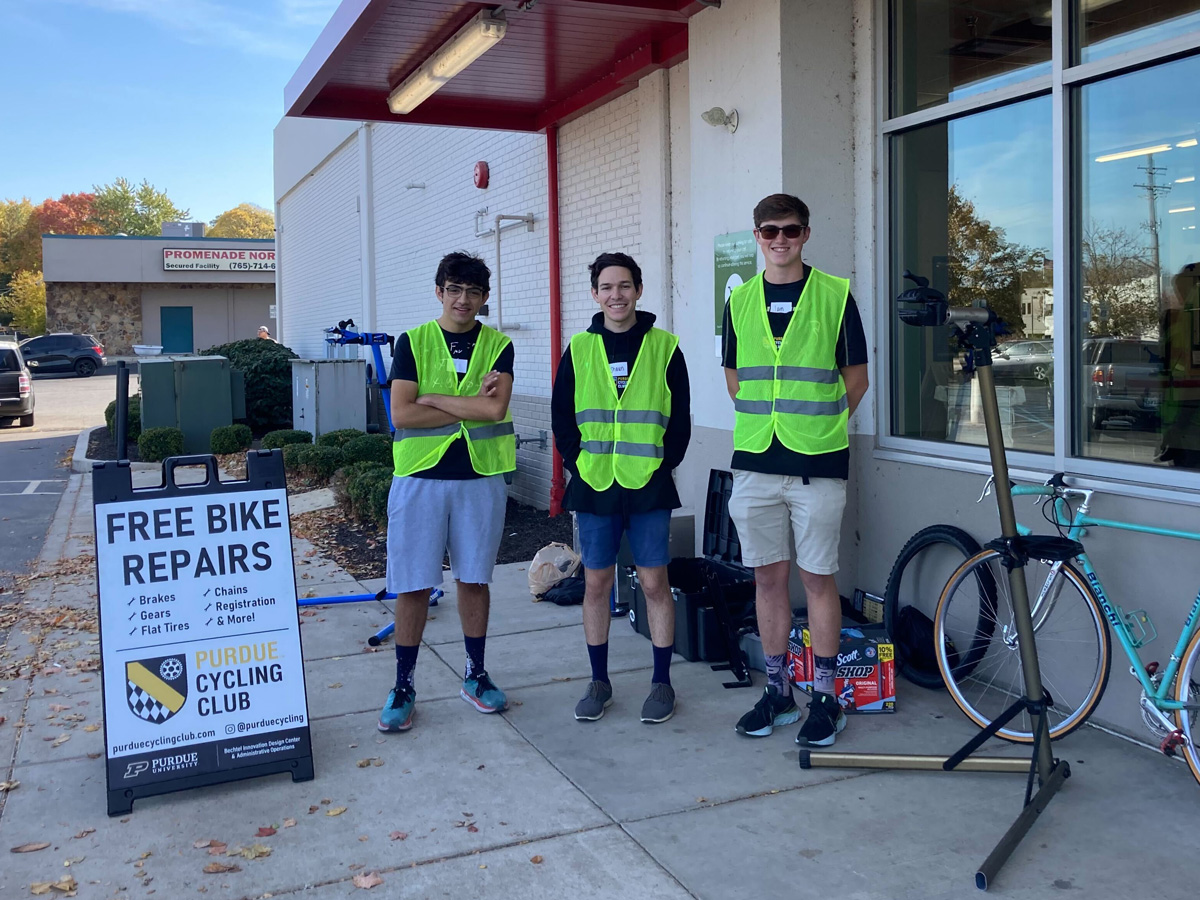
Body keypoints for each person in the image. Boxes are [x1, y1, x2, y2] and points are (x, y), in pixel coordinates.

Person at [723, 194, 869, 747]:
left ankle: (826, 698)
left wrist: (820, 429)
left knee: (817, 579)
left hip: (818, 463)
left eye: (790, 230)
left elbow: (857, 378)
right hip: (756, 461)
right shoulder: (739, 301)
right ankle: (779, 691)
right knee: (767, 578)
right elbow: (734, 377)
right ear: (757, 236)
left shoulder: (834, 294)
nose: (779, 239)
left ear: (806, 234)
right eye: (769, 231)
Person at [378, 251, 516, 733]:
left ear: (484, 298)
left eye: (473, 292)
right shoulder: (413, 341)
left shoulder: (499, 345)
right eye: (454, 289)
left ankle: (475, 675)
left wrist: (433, 397)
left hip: (480, 478)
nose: (463, 299)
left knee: (474, 580)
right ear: (439, 291)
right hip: (419, 478)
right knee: (414, 584)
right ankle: (403, 685)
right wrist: (468, 403)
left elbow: (494, 411)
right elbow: (402, 413)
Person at [551, 252, 691, 724]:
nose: (617, 295)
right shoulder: (579, 349)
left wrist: (661, 466)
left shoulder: (665, 347)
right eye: (607, 287)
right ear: (595, 294)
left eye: (625, 286)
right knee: (596, 583)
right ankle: (599, 682)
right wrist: (577, 463)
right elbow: (562, 417)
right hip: (594, 485)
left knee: (654, 583)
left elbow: (680, 421)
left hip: (649, 484)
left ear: (638, 290)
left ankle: (662, 683)